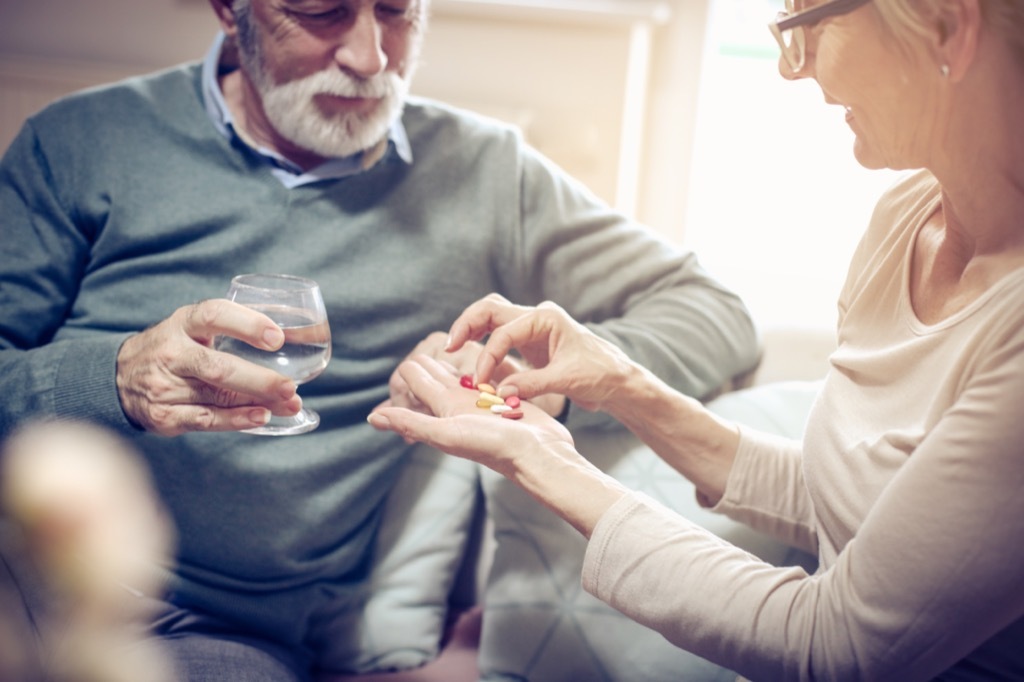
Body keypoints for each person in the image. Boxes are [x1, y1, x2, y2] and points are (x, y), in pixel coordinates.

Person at [0, 0, 762, 678]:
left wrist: (541, 383)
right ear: (230, 10)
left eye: (398, 12)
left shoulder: (483, 173)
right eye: (323, 11)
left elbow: (713, 309)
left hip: (208, 631)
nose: (370, 57)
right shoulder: (80, 141)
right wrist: (112, 377)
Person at [368, 0, 1024, 679]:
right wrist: (622, 384)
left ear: (948, 27)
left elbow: (839, 648)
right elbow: (856, 501)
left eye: (811, 23)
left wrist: (547, 464)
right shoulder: (907, 216)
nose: (789, 67)